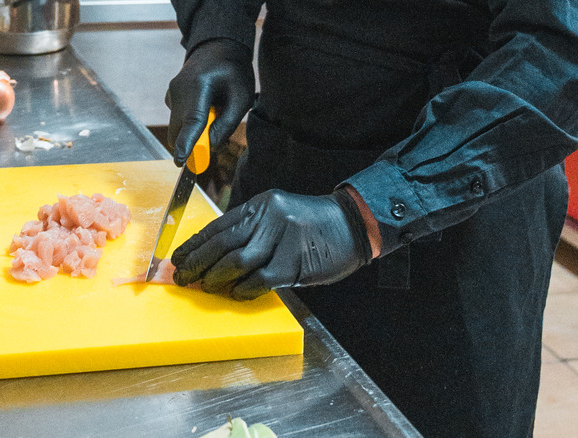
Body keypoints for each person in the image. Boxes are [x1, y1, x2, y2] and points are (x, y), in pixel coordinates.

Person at [165, 0, 578, 436]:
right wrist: (217, 35)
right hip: (284, 168)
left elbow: (557, 54)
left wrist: (366, 214)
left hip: (452, 214)